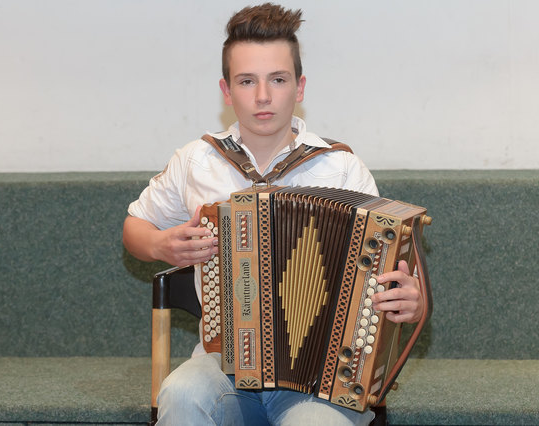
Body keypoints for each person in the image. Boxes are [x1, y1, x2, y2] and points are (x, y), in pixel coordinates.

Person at [123, 3, 423, 425]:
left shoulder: (341, 168)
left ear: (299, 87)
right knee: (182, 395)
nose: (263, 96)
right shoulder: (196, 162)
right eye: (247, 81)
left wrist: (406, 300)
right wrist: (160, 244)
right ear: (227, 91)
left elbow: (394, 275)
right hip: (224, 369)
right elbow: (134, 226)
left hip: (323, 381)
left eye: (277, 80)